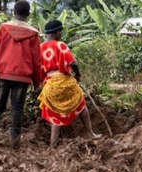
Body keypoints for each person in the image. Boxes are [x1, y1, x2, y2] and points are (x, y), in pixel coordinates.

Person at [0, 0, 42, 149]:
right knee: (17, 109)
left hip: (4, 75)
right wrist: (37, 82)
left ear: (14, 12)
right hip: (22, 78)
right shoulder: (33, 34)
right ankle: (15, 144)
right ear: (28, 14)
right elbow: (37, 61)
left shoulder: (4, 28)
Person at [37, 19, 101, 147]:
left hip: (51, 85)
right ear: (56, 32)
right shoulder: (60, 45)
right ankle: (91, 133)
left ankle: (52, 145)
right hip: (66, 82)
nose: (61, 34)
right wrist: (78, 74)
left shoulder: (39, 48)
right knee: (81, 106)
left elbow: (38, 70)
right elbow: (73, 63)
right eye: (60, 31)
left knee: (55, 115)